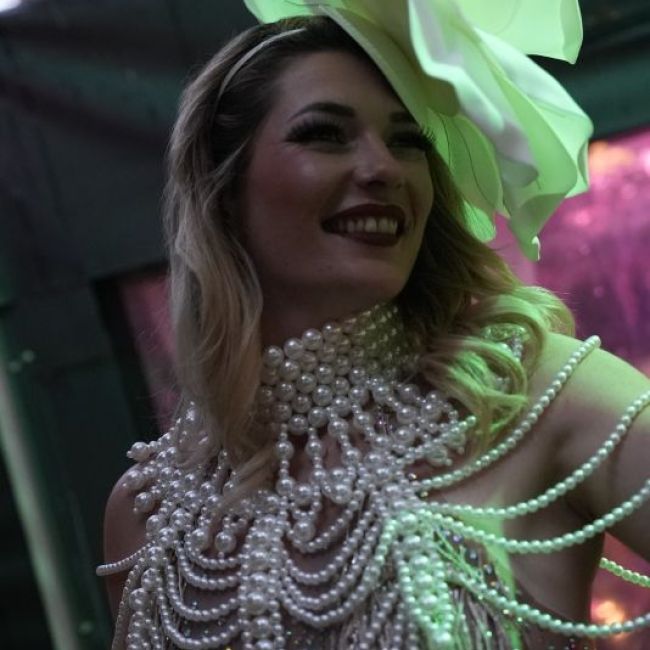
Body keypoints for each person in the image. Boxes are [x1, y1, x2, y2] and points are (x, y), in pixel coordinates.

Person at [98, 4, 650, 649]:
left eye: (407, 141)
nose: (383, 167)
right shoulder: (148, 511)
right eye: (325, 134)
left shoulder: (533, 395)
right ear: (224, 186)